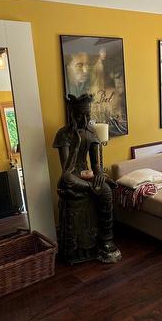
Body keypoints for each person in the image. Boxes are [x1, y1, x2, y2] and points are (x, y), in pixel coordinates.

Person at [53, 94, 121, 264]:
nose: (84, 119)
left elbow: (95, 164)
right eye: (80, 115)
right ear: (71, 114)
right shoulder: (64, 134)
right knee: (68, 180)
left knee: (105, 189)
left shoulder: (91, 133)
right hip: (71, 177)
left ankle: (106, 240)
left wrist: (99, 175)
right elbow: (66, 171)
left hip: (86, 175)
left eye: (87, 115)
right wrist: (75, 145)